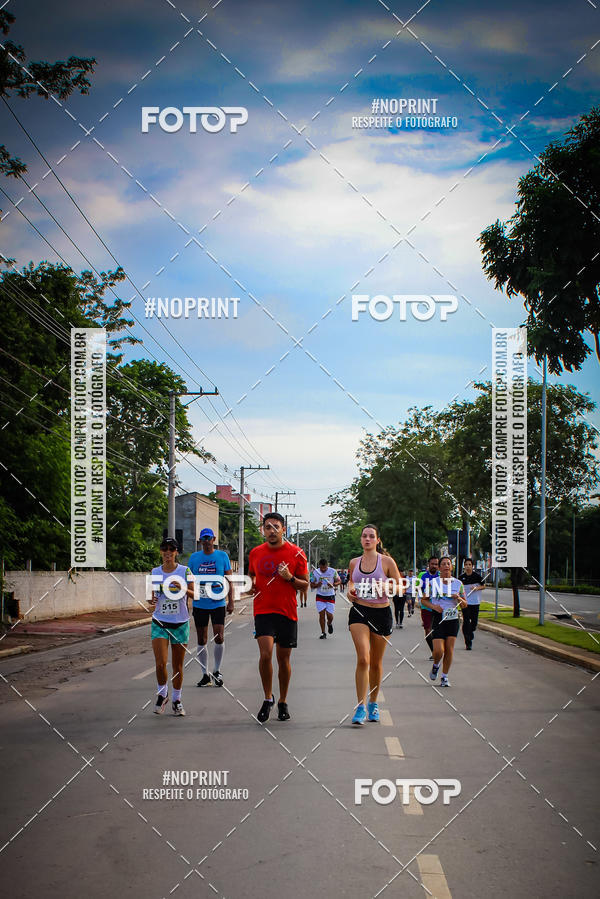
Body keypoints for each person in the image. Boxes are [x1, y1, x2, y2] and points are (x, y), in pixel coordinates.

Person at [249, 512, 309, 723]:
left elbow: (305, 584)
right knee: (265, 655)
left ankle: (283, 700)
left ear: (283, 529)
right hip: (263, 611)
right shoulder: (256, 553)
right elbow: (252, 578)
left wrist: (289, 578)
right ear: (263, 530)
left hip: (287, 612)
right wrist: (248, 588)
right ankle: (268, 698)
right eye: (267, 527)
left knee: (283, 659)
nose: (271, 531)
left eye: (275, 526)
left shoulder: (297, 553)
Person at [347, 524, 401, 725]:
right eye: (364, 536)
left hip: (382, 612)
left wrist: (387, 585)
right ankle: (360, 707)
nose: (367, 539)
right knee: (363, 659)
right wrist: (350, 591)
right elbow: (352, 582)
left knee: (376, 663)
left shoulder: (386, 561)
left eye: (371, 536)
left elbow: (399, 584)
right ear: (361, 540)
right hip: (360, 611)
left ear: (378, 540)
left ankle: (373, 702)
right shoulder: (354, 562)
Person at [149, 537, 194, 716]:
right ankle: (162, 695)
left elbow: (195, 594)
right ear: (161, 551)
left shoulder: (186, 571)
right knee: (160, 664)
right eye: (164, 549)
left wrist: (182, 588)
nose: (168, 552)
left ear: (176, 552)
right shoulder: (155, 572)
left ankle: (177, 700)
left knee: (177, 666)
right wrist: (151, 599)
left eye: (171, 549)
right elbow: (151, 597)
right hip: (159, 621)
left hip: (180, 623)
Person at [188, 528, 234, 687]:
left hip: (218, 602)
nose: (206, 541)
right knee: (201, 639)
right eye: (203, 538)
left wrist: (231, 601)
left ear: (214, 539)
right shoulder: (194, 558)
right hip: (200, 603)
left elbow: (229, 579)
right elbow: (189, 582)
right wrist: (188, 601)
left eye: (208, 538)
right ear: (200, 541)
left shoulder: (222, 556)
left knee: (219, 636)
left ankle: (217, 670)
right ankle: (204, 674)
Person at [421, 556, 467, 687]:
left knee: (449, 650)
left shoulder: (458, 584)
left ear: (451, 567)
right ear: (439, 568)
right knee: (438, 651)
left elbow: (465, 605)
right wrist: (434, 607)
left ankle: (444, 677)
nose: (446, 566)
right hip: (438, 618)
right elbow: (423, 600)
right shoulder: (433, 583)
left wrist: (458, 598)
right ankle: (436, 665)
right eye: (444, 564)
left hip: (452, 619)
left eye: (449, 564)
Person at [311, 558, 341, 638]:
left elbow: (339, 581)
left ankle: (329, 623)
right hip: (320, 596)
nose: (323, 570)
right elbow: (311, 584)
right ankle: (323, 633)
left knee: (329, 615)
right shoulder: (315, 572)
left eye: (324, 568)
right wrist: (317, 585)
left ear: (327, 565)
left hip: (330, 596)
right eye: (321, 568)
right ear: (319, 566)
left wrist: (333, 584)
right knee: (321, 615)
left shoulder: (333, 571)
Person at [460, 558, 485, 650]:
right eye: (466, 564)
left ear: (472, 566)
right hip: (465, 603)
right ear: (464, 566)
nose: (467, 566)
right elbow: (458, 589)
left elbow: (483, 586)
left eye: (469, 564)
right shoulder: (461, 577)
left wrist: (476, 588)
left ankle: (470, 632)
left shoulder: (477, 577)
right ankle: (468, 642)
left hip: (475, 602)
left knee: (474, 623)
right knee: (466, 621)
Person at [418, 557, 439, 659]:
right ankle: (433, 651)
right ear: (429, 564)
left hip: (438, 607)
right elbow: (417, 588)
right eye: (432, 564)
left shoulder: (441, 576)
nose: (434, 566)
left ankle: (437, 651)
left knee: (436, 630)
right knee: (427, 630)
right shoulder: (422, 576)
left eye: (436, 564)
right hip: (426, 606)